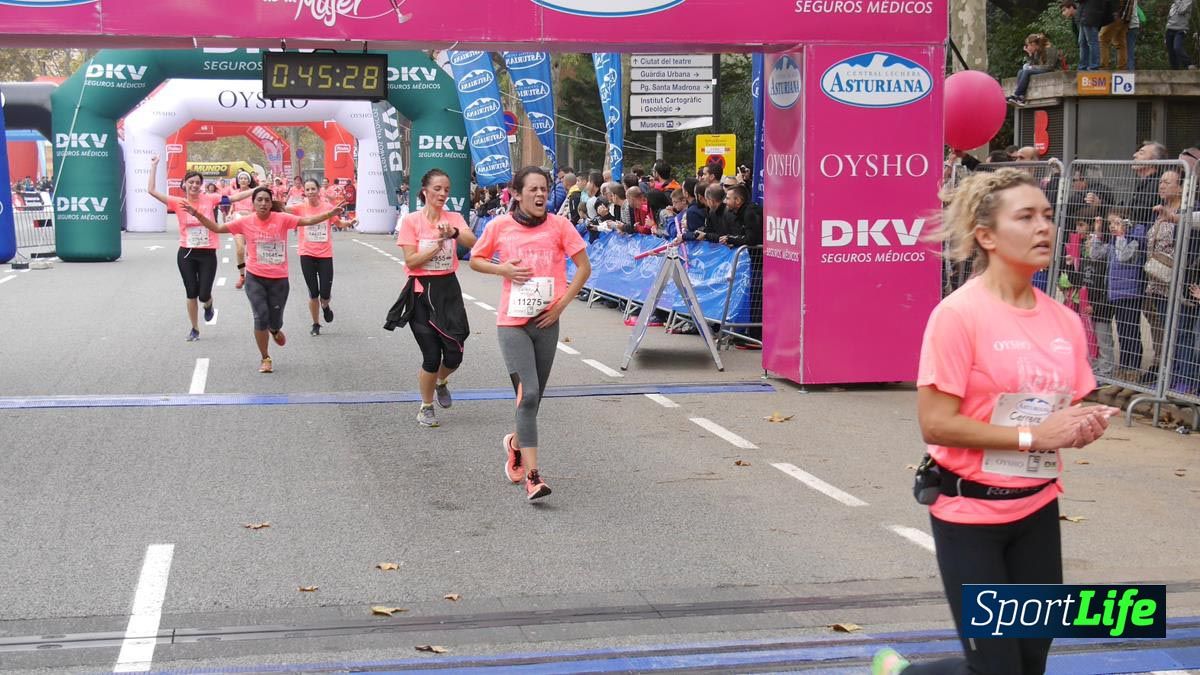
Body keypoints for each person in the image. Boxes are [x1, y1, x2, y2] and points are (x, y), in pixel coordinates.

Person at [873, 169, 1118, 675]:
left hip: (1037, 509)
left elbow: (1066, 409)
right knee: (997, 669)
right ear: (986, 236)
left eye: (1046, 215)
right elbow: (936, 425)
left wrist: (1082, 427)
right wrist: (1033, 436)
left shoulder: (1064, 320)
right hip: (969, 514)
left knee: (1030, 661)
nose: (1043, 227)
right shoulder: (958, 315)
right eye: (1025, 217)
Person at [469, 166, 592, 501]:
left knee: (533, 399)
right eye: (533, 189)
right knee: (530, 394)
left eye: (544, 189)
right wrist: (503, 269)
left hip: (547, 322)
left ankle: (515, 443)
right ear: (517, 194)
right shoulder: (500, 226)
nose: (540, 195)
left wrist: (560, 306)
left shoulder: (560, 226)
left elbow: (584, 268)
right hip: (513, 324)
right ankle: (533, 477)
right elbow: (476, 259)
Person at [181, 187, 343, 373]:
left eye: (267, 200)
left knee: (275, 321)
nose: (263, 203)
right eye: (259, 200)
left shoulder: (282, 218)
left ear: (271, 202)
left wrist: (330, 214)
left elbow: (308, 221)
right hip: (255, 277)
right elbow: (217, 228)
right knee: (260, 317)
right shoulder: (245, 221)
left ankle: (274, 329)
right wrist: (196, 214)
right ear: (253, 203)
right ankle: (265, 357)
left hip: (279, 279)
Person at [389, 169, 477, 428]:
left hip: (448, 290)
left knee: (454, 354)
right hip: (420, 291)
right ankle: (426, 407)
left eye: (446, 190)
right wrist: (436, 247)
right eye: (437, 188)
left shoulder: (453, 218)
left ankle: (441, 380)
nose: (442, 194)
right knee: (430, 355)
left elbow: (472, 241)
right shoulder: (411, 221)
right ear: (425, 191)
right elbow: (411, 261)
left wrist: (453, 233)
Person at [146, 158, 221, 342]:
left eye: (197, 183)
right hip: (187, 253)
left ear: (201, 185)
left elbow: (234, 198)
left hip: (207, 252)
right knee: (191, 291)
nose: (194, 185)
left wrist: (259, 188)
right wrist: (154, 166)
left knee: (203, 294)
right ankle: (194, 328)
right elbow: (151, 191)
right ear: (185, 184)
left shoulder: (210, 199)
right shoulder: (177, 202)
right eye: (191, 182)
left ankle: (208, 304)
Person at [287, 178, 358, 337]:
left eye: (313, 189)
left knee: (325, 294)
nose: (310, 192)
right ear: (304, 192)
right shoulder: (300, 207)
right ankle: (316, 323)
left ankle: (325, 306)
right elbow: (283, 209)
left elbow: (338, 223)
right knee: (313, 293)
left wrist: (350, 222)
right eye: (307, 189)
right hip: (306, 254)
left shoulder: (327, 207)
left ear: (319, 190)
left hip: (325, 255)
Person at [1007, 34, 1061, 106]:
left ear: (1033, 44)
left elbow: (1050, 67)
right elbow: (1033, 64)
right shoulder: (1037, 51)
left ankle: (1017, 95)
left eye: (1028, 46)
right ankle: (1020, 97)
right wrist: (1030, 54)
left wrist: (1032, 67)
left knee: (1026, 71)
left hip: (1052, 71)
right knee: (1020, 71)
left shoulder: (1050, 49)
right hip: (1043, 70)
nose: (1027, 48)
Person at [229, 171, 258, 290]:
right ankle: (242, 276)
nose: (243, 180)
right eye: (241, 178)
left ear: (249, 181)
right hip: (238, 224)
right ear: (238, 181)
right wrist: (230, 214)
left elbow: (258, 208)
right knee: (240, 250)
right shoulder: (235, 193)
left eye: (246, 178)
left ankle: (253, 275)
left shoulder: (254, 193)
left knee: (251, 252)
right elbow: (232, 206)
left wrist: (249, 214)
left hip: (251, 224)